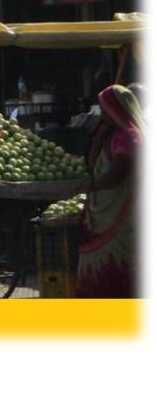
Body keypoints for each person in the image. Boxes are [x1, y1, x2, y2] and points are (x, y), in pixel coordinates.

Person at [77, 84, 140, 298]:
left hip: (121, 217)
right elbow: (92, 164)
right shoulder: (113, 134)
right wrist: (101, 133)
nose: (102, 113)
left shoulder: (129, 137)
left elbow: (114, 176)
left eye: (105, 109)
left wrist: (88, 186)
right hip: (105, 212)